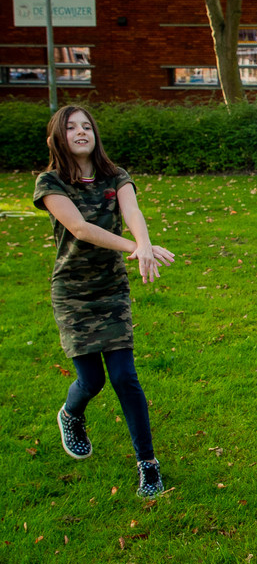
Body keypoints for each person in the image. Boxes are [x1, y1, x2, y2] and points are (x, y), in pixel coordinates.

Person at [37, 105, 175, 499]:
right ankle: (72, 414)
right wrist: (136, 248)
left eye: (86, 126)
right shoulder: (51, 183)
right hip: (73, 293)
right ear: (57, 138)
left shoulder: (116, 177)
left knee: (123, 378)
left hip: (111, 288)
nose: (80, 132)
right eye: (70, 127)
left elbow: (132, 211)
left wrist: (145, 244)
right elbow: (80, 228)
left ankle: (148, 464)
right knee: (92, 379)